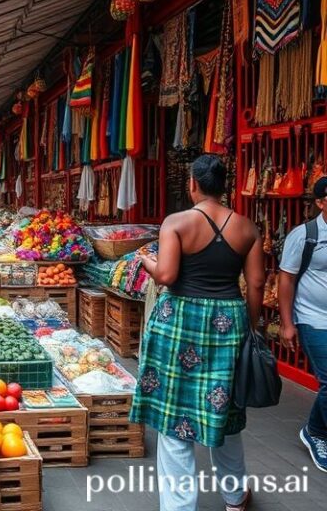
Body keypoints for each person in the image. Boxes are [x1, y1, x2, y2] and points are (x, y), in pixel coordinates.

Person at [130, 155, 263, 511]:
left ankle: (179, 506)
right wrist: (249, 328)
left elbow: (167, 275)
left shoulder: (176, 222)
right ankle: (235, 497)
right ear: (223, 186)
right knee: (225, 412)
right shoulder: (248, 228)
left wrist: (145, 260)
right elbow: (256, 284)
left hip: (180, 321)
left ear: (193, 184)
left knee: (174, 415)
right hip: (227, 324)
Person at [279, 176, 327, 472]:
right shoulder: (305, 235)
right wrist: (287, 323)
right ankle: (318, 433)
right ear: (321, 203)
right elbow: (286, 279)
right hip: (313, 318)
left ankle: (315, 430)